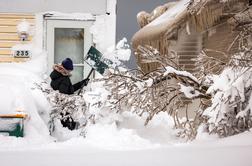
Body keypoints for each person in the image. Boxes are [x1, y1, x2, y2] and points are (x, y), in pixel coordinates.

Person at [50, 58, 89, 130]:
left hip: (58, 109)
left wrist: (81, 83)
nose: (70, 71)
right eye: (70, 70)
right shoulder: (64, 78)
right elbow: (64, 95)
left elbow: (69, 89)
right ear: (66, 69)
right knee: (68, 129)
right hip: (64, 110)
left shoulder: (57, 75)